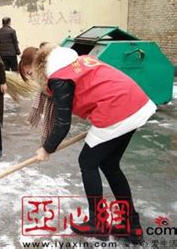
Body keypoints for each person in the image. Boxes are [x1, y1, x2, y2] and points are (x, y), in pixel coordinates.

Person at [19, 44, 157, 244]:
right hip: (135, 102)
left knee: (87, 162)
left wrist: (46, 148)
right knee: (109, 165)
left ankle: (98, 222)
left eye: (30, 74)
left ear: (37, 66)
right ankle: (131, 226)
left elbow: (62, 124)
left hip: (117, 109)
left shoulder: (59, 77)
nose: (32, 79)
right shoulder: (74, 61)